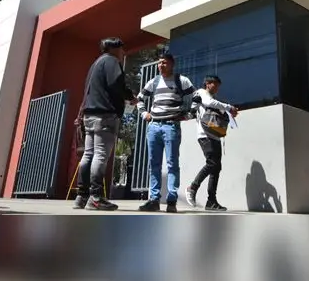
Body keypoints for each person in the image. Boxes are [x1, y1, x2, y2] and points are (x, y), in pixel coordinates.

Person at [73, 37, 136, 211]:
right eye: (122, 49)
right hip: (105, 115)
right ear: (115, 48)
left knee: (88, 155)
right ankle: (96, 197)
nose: (123, 53)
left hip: (90, 115)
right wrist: (130, 97)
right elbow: (117, 83)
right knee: (100, 155)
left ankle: (81, 196)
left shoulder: (95, 64)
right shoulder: (112, 61)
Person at [137, 52, 195, 213]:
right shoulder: (154, 81)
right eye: (159, 63)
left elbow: (195, 97)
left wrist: (189, 114)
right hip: (154, 126)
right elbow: (140, 98)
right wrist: (144, 114)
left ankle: (171, 200)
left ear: (172, 64)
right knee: (154, 164)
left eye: (164, 62)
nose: (161, 65)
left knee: (172, 164)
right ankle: (154, 200)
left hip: (171, 126)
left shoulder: (181, 80)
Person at [185, 75, 238, 211]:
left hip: (214, 137)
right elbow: (209, 103)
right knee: (212, 164)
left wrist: (229, 113)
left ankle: (211, 201)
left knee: (216, 168)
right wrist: (229, 107)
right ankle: (192, 187)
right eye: (216, 85)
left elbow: (216, 109)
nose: (217, 88)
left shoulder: (212, 98)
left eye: (218, 86)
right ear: (207, 84)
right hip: (205, 135)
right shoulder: (202, 93)